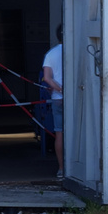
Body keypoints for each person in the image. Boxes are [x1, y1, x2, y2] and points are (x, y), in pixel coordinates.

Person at [41, 25, 65, 181]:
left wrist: (60, 90)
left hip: (58, 98)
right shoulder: (77, 50)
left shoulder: (51, 54)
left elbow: (47, 78)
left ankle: (62, 169)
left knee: (59, 133)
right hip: (77, 98)